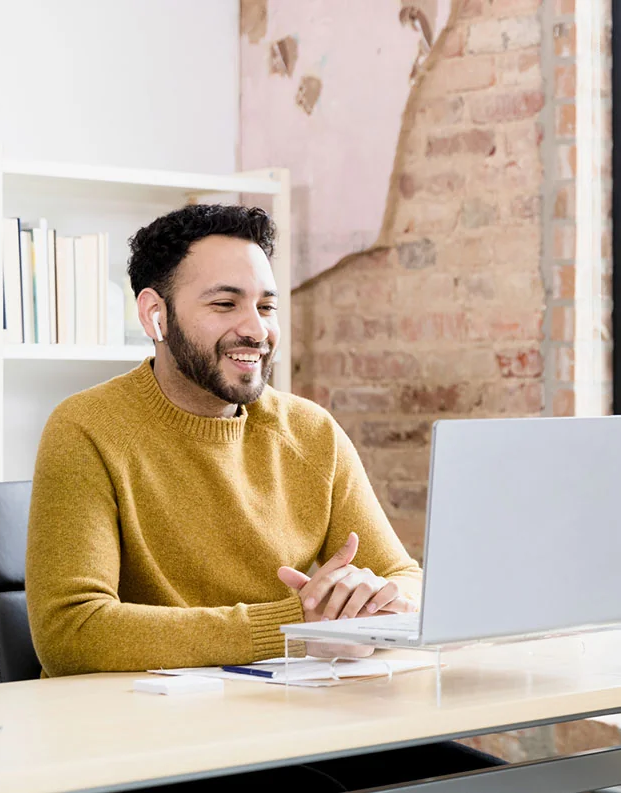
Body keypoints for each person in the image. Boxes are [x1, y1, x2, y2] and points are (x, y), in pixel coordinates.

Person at [25, 204, 501, 791]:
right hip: (149, 743)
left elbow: (408, 576)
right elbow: (73, 632)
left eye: (266, 305)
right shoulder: (85, 429)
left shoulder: (311, 431)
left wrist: (370, 598)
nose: (256, 329)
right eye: (225, 304)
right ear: (156, 315)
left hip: (301, 725)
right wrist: (294, 624)